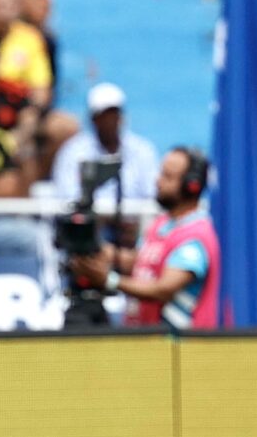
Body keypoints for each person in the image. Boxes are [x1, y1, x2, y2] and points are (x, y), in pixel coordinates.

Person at [71, 147, 220, 331]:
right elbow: (143, 263)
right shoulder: (162, 223)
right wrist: (101, 253)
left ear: (192, 185)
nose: (158, 181)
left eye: (168, 176)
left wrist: (109, 280)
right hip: (149, 341)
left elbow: (163, 290)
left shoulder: (195, 235)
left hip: (178, 349)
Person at [52, 83, 159, 202]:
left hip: (133, 220)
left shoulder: (142, 150)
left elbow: (151, 194)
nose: (110, 121)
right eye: (104, 116)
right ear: (93, 119)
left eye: (114, 114)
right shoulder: (73, 152)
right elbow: (67, 195)